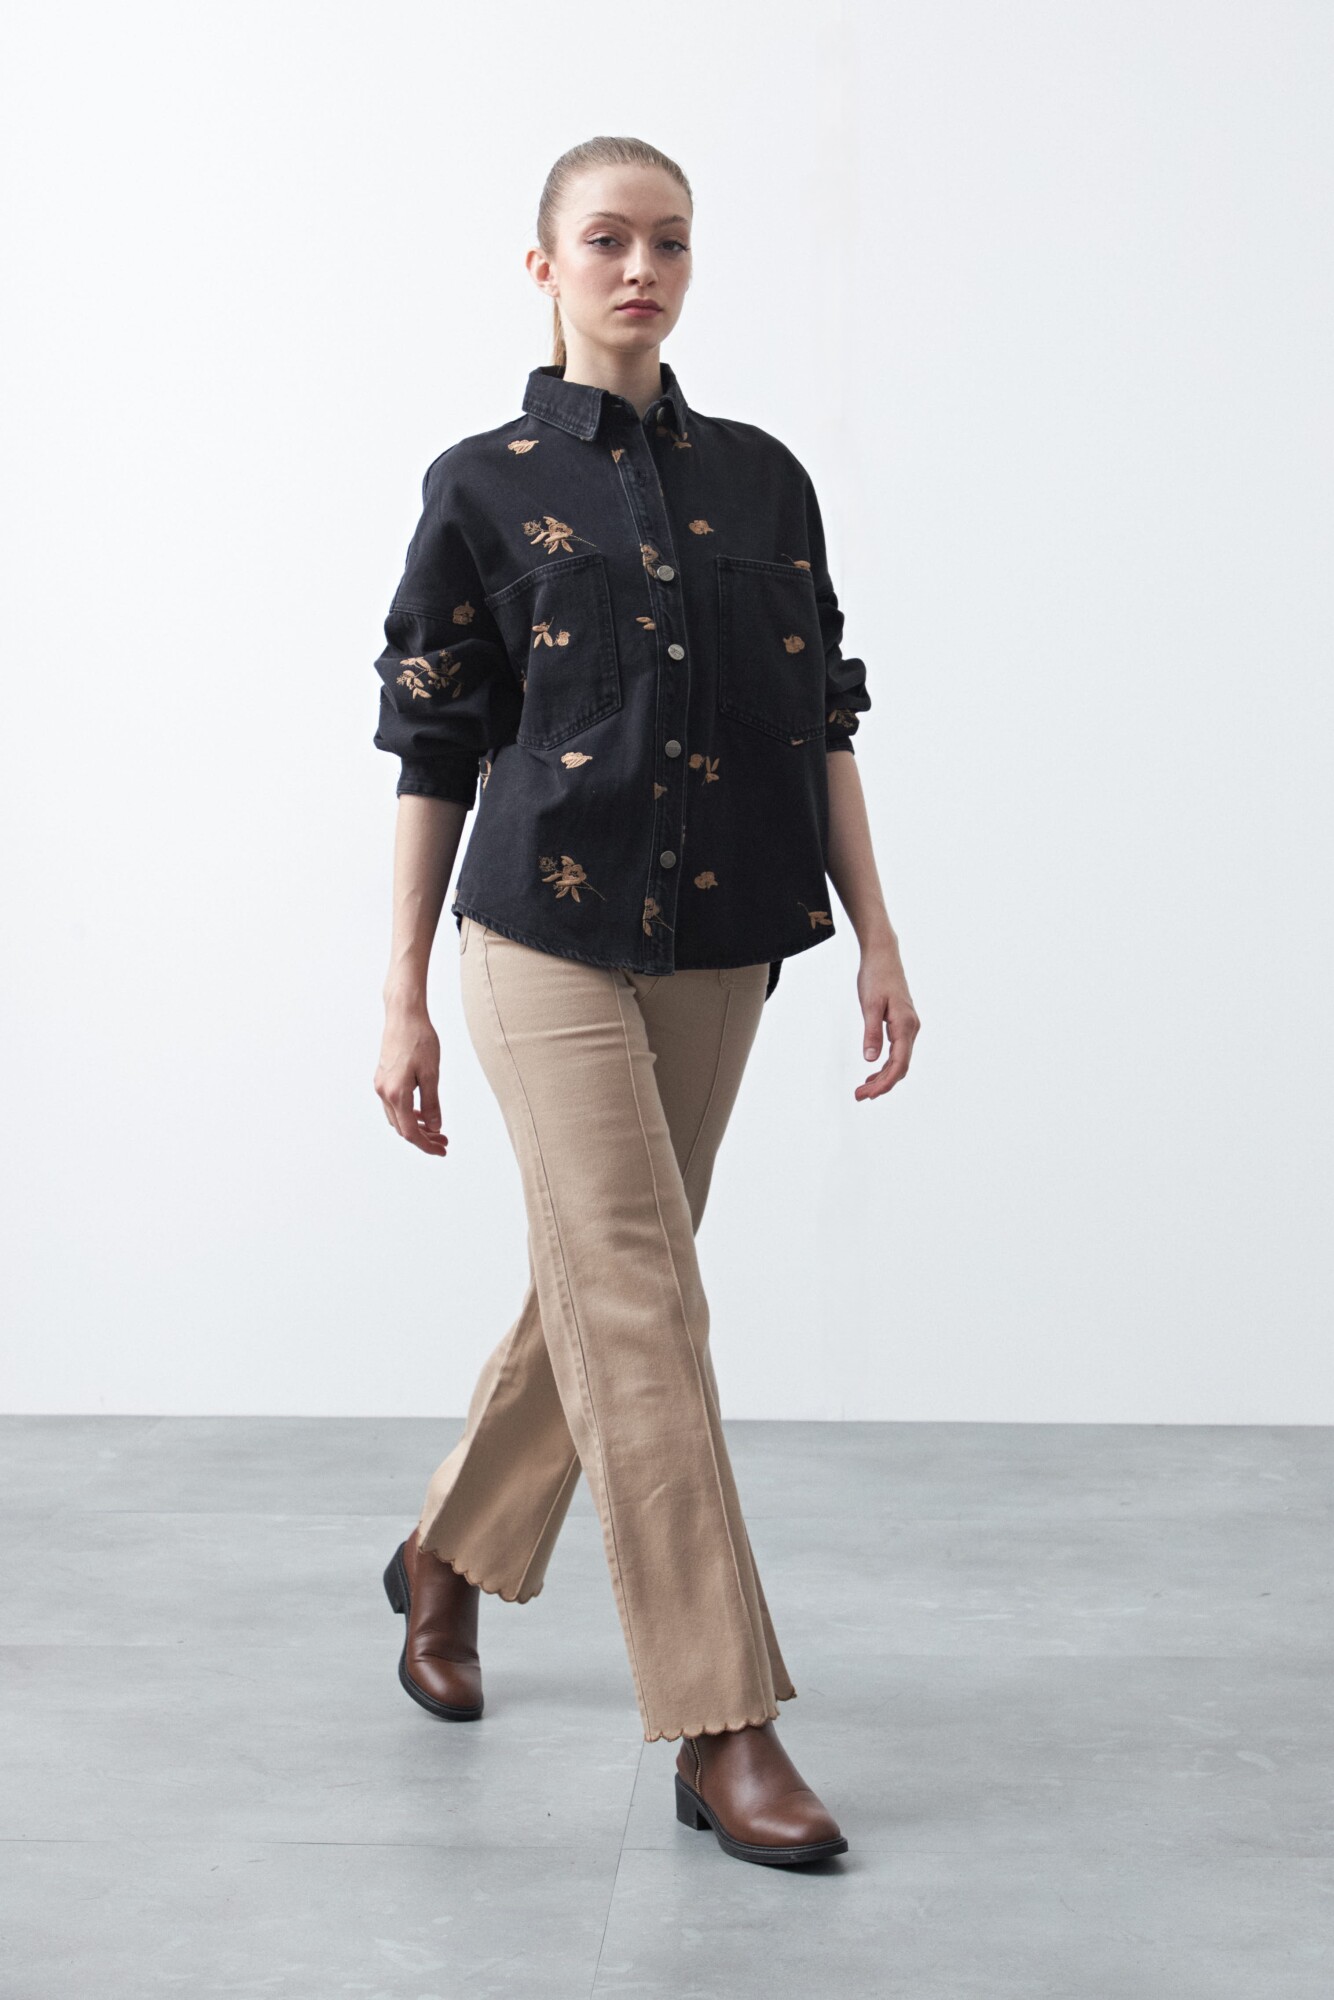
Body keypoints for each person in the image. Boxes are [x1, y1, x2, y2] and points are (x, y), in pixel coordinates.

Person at [371, 135, 920, 1869]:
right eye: (605, 240)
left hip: (722, 929)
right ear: (543, 266)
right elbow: (434, 744)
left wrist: (877, 932)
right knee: (642, 1300)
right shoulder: (481, 485)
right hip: (538, 934)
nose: (640, 270)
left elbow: (823, 718)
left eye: (668, 242)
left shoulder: (764, 483)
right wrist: (400, 991)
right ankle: (719, 1719)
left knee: (610, 1288)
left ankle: (445, 1556)